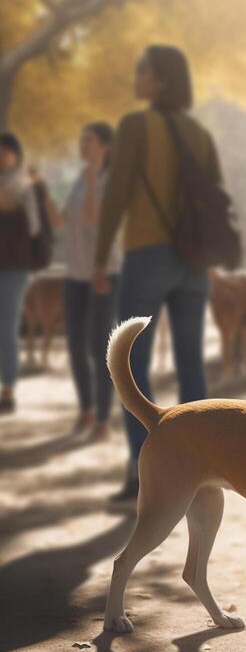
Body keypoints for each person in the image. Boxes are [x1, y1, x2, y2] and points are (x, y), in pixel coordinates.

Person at [92, 45, 223, 501]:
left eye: (143, 69)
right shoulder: (199, 133)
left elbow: (117, 196)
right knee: (191, 367)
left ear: (162, 79)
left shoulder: (135, 125)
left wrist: (99, 256)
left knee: (131, 365)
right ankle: (202, 468)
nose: (137, 74)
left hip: (147, 253)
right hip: (194, 262)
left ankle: (143, 468)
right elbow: (216, 200)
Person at [61, 123, 121, 439]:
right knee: (74, 345)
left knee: (99, 346)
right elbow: (66, 220)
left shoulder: (110, 181)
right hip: (75, 273)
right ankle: (85, 409)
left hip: (103, 271)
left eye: (90, 140)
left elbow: (94, 218)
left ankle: (102, 417)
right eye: (81, 139)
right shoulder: (78, 179)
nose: (83, 145)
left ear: (105, 146)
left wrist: (95, 179)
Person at [0, 132, 41, 414]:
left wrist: (10, 208)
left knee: (6, 328)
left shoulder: (24, 188)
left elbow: (35, 227)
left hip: (13, 268)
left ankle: (9, 390)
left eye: (6, 151)